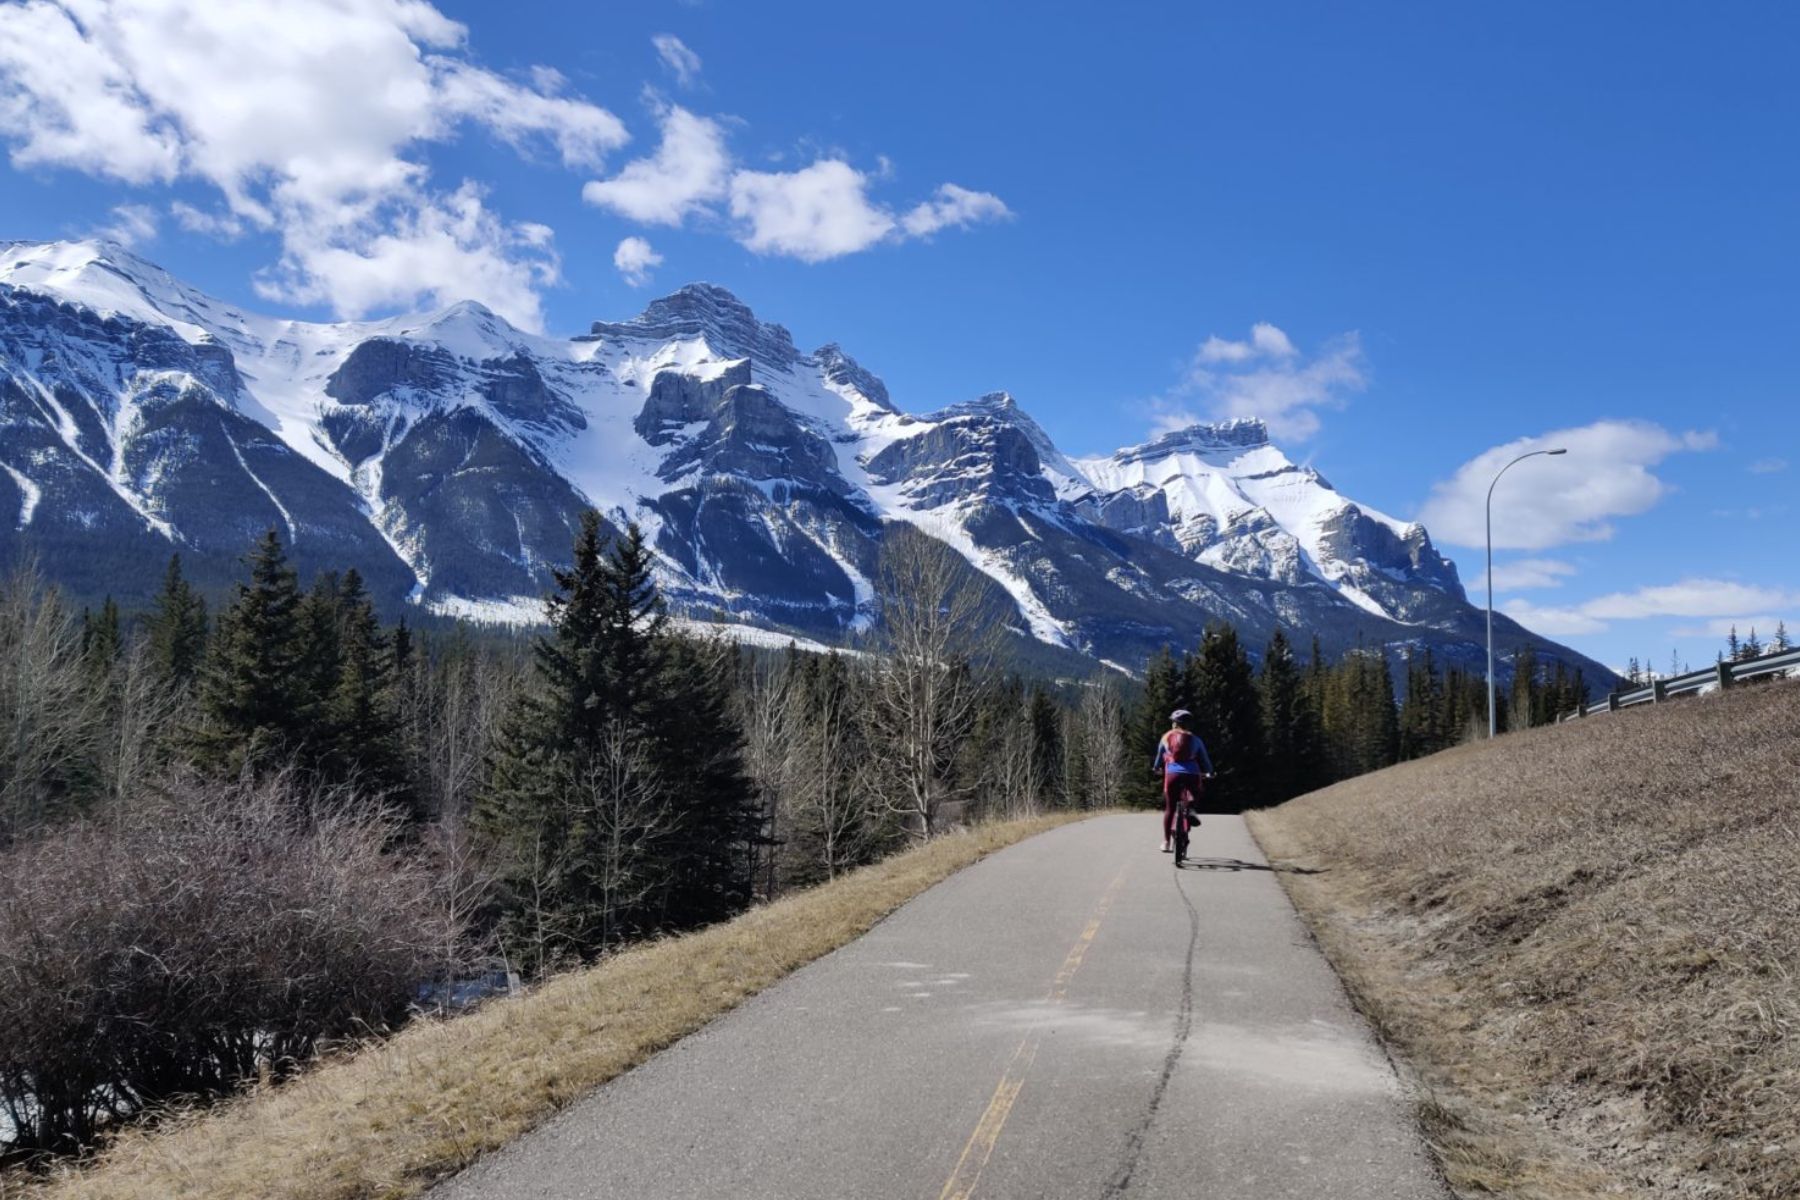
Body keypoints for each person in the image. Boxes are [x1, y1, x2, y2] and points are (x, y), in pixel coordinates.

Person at [1151, 708, 1215, 853]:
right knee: (1194, 795)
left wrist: (1156, 768)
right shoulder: (1195, 739)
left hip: (1172, 774)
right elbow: (1204, 759)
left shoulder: (1166, 737)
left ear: (1175, 723)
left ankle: (1166, 842)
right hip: (1192, 774)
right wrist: (1210, 772)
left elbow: (1159, 757)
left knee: (1170, 808)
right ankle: (1191, 809)